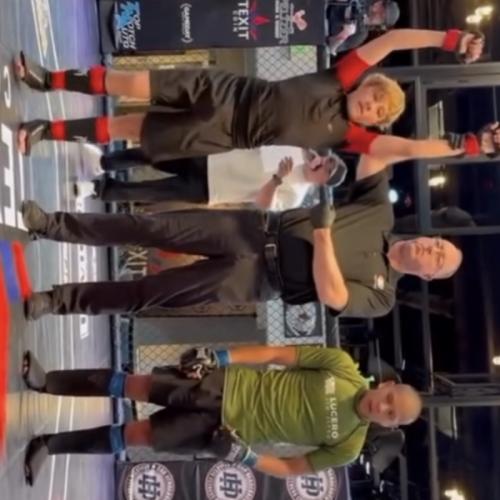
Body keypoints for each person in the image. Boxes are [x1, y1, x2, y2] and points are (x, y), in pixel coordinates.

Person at [21, 143, 489, 320]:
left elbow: (334, 295)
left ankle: (58, 301)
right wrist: (450, 146)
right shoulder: (379, 214)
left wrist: (323, 236)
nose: (430, 248)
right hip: (249, 228)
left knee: (152, 292)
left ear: (428, 276)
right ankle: (51, 224)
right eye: (438, 242)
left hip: (255, 280)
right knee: (145, 226)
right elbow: (376, 154)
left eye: (437, 258)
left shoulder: (383, 298)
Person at [16, 29, 485, 163]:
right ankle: (48, 79)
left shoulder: (351, 137)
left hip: (222, 135)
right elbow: (395, 39)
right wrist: (451, 40)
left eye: (378, 111)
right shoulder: (338, 77)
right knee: (130, 83)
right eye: (376, 95)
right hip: (224, 89)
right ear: (366, 83)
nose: (372, 105)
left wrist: (466, 145)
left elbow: (409, 149)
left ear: (373, 122)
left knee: (129, 127)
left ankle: (45, 131)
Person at [22, 345, 423, 485]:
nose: (383, 407)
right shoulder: (341, 366)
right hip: (222, 383)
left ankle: (49, 445)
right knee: (133, 385)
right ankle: (47, 382)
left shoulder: (349, 446)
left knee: (135, 436)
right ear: (387, 384)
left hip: (224, 431)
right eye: (390, 399)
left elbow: (291, 468)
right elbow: (275, 354)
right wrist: (220, 357)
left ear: (389, 426)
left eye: (391, 415)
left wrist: (244, 456)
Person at [74, 144, 347, 209]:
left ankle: (98, 190)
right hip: (212, 158)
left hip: (212, 188)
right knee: (155, 152)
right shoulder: (299, 152)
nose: (323, 162)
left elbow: (262, 205)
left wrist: (277, 179)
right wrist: (302, 150)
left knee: (152, 191)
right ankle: (104, 162)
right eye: (327, 159)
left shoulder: (295, 195)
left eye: (328, 168)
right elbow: (259, 145)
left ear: (325, 181)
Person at [326, 0, 400, 56]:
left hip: (323, 30)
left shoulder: (361, 35)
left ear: (381, 24)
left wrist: (344, 34)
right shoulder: (360, 2)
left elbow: (331, 48)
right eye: (381, 8)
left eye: (382, 17)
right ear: (379, 2)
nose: (377, 13)